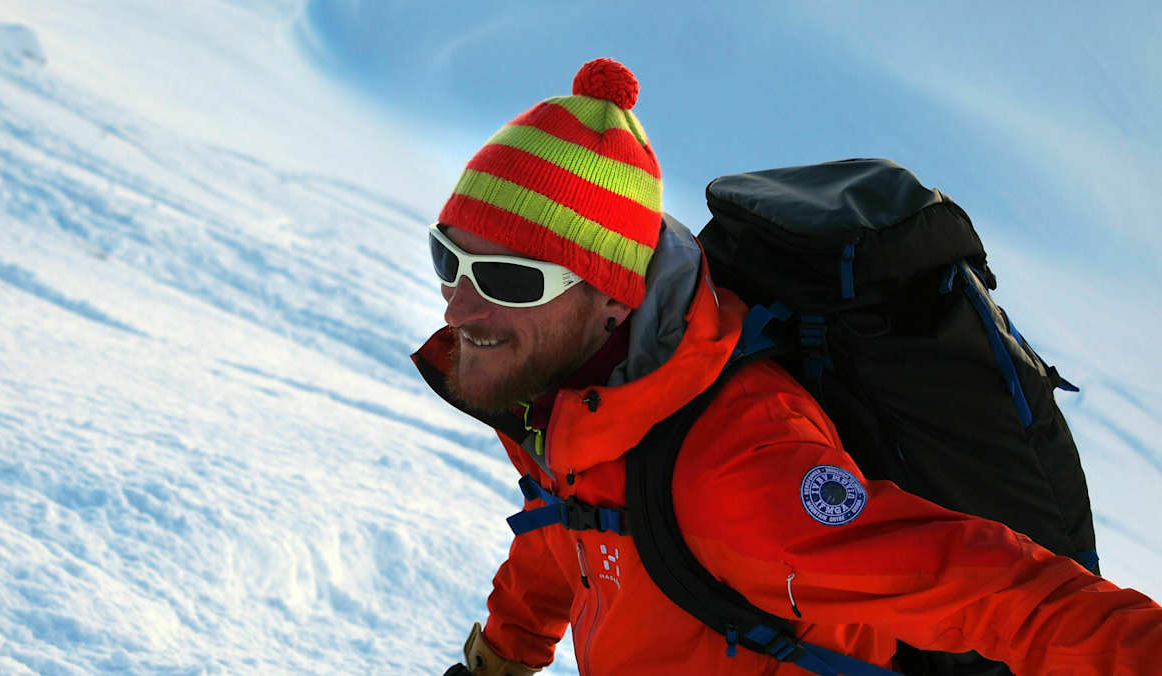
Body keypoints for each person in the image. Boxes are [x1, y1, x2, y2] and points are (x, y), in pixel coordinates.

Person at [412, 58, 1162, 675]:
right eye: (450, 257)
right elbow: (562, 528)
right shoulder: (567, 398)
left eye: (511, 279)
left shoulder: (736, 467)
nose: (458, 305)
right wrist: (501, 657)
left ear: (612, 297)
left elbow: (989, 590)